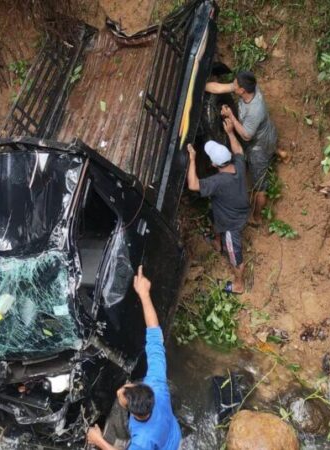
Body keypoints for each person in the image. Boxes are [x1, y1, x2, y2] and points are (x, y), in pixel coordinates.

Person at [86, 266, 181, 450]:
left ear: (136, 414)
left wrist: (98, 440)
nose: (120, 390)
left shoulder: (143, 440)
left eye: (122, 396)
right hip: (171, 433)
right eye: (126, 388)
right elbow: (155, 337)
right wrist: (144, 294)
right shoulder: (157, 385)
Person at [205, 71, 278, 226]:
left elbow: (246, 136)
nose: (233, 85)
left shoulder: (255, 110)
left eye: (236, 85)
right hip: (266, 132)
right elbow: (219, 88)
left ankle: (257, 218)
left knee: (260, 186)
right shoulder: (250, 87)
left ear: (242, 91)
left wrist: (231, 116)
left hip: (259, 146)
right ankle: (281, 153)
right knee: (267, 145)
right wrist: (200, 87)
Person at [187, 118, 249, 294]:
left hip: (232, 224)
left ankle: (239, 285)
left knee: (235, 257)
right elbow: (239, 150)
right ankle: (217, 243)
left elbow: (193, 185)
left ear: (214, 164)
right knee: (213, 216)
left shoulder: (218, 182)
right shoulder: (238, 165)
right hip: (235, 209)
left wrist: (192, 159)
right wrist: (230, 133)